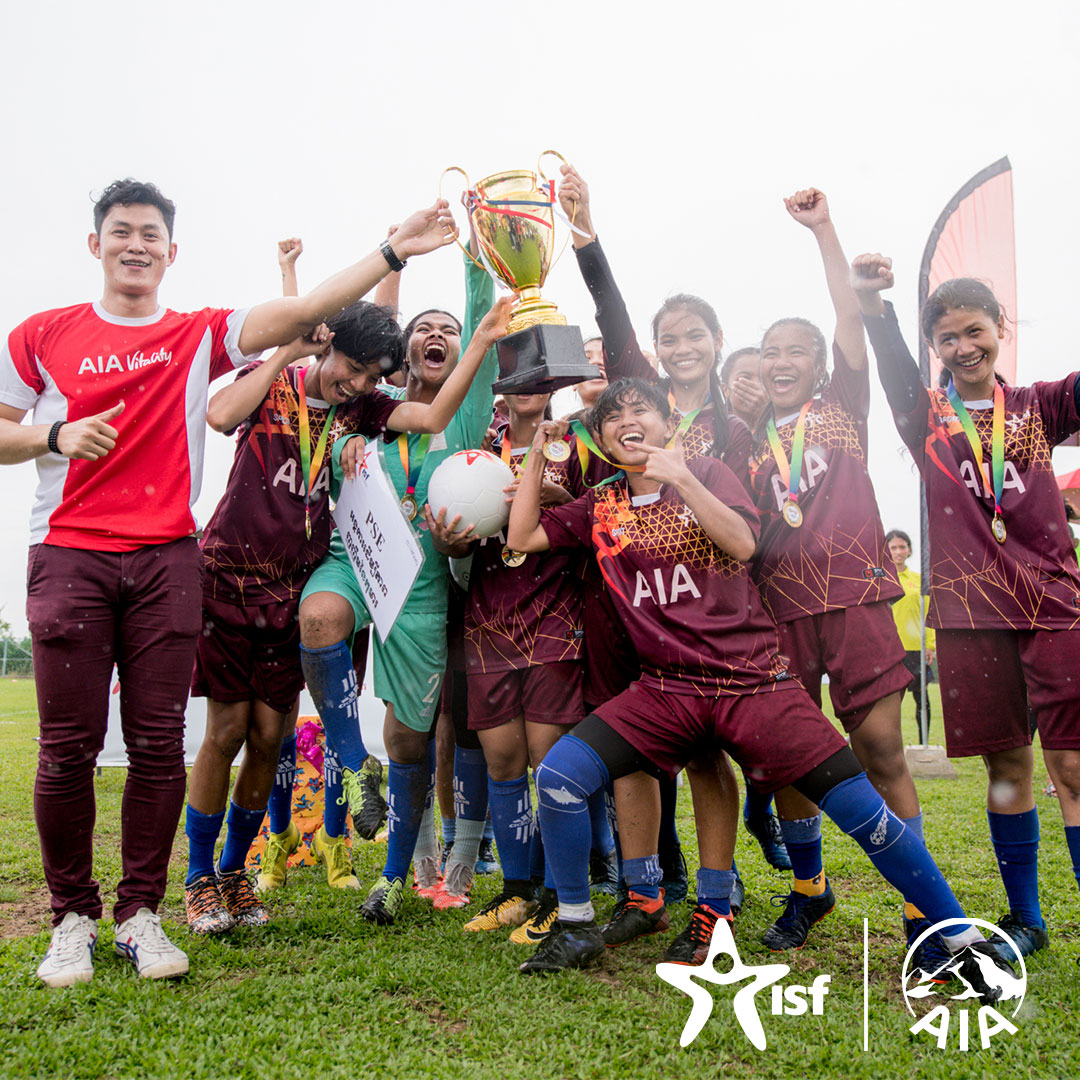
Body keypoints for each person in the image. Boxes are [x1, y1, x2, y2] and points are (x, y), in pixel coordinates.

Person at [0, 178, 456, 988]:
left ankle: (191, 892)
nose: (136, 245)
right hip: (156, 565)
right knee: (156, 739)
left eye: (151, 235)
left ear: (171, 252)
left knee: (246, 740)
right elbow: (222, 407)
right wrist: (55, 434)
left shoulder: (308, 392)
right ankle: (125, 901)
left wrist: (414, 273)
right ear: (97, 242)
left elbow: (363, 353)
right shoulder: (53, 336)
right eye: (122, 231)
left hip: (232, 576)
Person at [505, 378, 1013, 992]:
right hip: (666, 689)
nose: (626, 421)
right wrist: (538, 452)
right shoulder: (603, 502)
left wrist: (682, 477)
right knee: (559, 775)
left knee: (862, 811)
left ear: (669, 422)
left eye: (641, 410)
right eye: (612, 417)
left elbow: (743, 543)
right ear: (602, 437)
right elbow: (521, 536)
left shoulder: (710, 472)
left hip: (752, 682)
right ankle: (578, 922)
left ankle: (956, 933)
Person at [184, 231, 501, 933]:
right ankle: (199, 876)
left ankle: (236, 877)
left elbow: (434, 409)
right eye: (350, 368)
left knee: (268, 738)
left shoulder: (365, 410)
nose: (354, 384)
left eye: (368, 376)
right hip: (230, 578)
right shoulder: (286, 383)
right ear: (326, 348)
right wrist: (291, 349)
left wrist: (478, 336)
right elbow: (220, 414)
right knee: (225, 732)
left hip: (294, 584)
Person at [853, 252, 1080, 958]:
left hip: (1053, 606)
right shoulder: (924, 415)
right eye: (947, 338)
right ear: (934, 347)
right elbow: (890, 364)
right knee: (1006, 769)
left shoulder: (1042, 404)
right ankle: (1028, 919)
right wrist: (873, 304)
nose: (964, 348)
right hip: (969, 615)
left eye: (974, 331)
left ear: (999, 328)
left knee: (1071, 769)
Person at [558, 165, 751, 947]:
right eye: (665, 338)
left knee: (708, 754)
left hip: (708, 615)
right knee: (632, 748)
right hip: (624, 609)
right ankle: (643, 896)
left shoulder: (738, 425)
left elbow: (750, 524)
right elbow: (610, 311)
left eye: (691, 335)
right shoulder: (638, 399)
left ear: (715, 342)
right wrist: (587, 236)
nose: (677, 348)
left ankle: (718, 895)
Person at [296, 241, 508, 927]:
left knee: (411, 743)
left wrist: (479, 255)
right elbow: (373, 324)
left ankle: (392, 881)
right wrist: (397, 257)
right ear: (401, 356)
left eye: (445, 330)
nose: (434, 335)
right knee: (320, 620)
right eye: (423, 330)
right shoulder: (369, 409)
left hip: (422, 592)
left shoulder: (464, 416)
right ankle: (355, 769)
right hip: (353, 562)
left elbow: (481, 323)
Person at [747, 188, 919, 952]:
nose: (782, 362)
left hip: (856, 598)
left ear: (818, 364)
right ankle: (810, 887)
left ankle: (920, 905)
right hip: (780, 610)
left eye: (796, 351)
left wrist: (824, 231)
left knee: (880, 749)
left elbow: (850, 318)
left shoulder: (844, 403)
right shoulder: (745, 442)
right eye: (770, 353)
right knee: (791, 755)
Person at [885, 528, 936, 738]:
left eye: (902, 547)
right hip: (890, 649)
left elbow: (929, 613)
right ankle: (889, 743)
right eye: (893, 547)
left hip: (916, 648)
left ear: (909, 550)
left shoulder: (919, 579)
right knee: (890, 702)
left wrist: (931, 644)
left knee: (921, 698)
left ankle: (924, 741)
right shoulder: (881, 579)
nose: (898, 551)